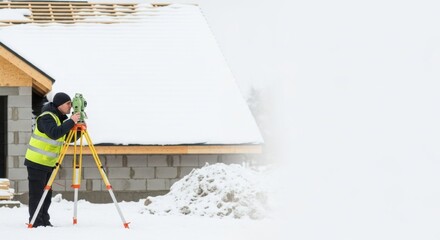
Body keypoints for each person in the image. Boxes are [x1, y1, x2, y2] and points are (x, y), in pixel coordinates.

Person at [25, 92, 80, 227]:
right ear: (60, 104)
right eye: (68, 104)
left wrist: (78, 130)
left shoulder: (59, 118)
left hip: (47, 163)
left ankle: (44, 221)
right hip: (36, 162)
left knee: (47, 195)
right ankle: (36, 222)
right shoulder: (46, 117)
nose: (70, 106)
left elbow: (66, 138)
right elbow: (54, 133)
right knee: (37, 195)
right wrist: (71, 121)